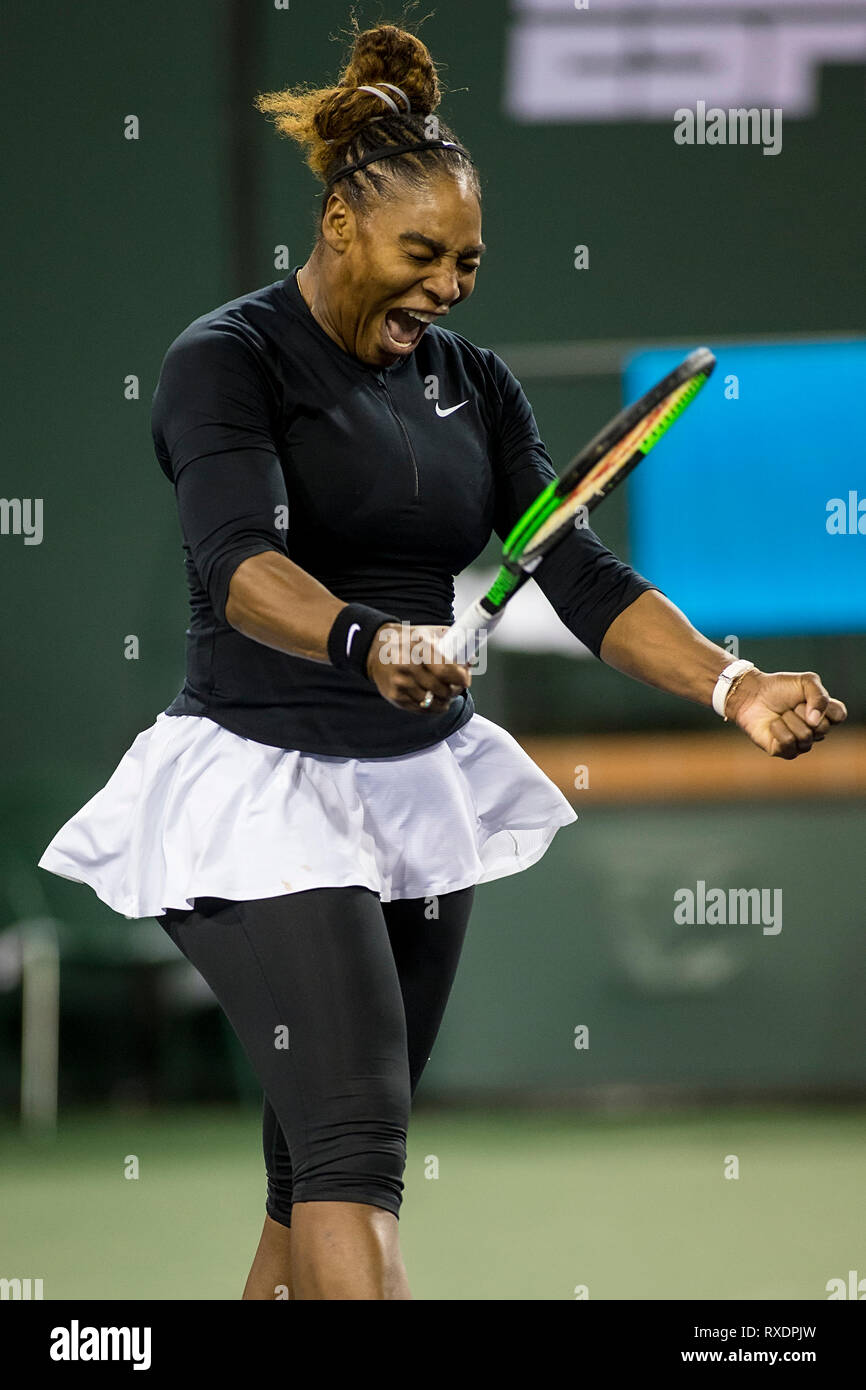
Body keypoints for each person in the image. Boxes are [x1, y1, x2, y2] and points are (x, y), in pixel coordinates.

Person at [38, 21, 847, 1300]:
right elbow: (239, 565)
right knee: (356, 1151)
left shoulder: (473, 385)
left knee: (308, 1179)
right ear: (341, 226)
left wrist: (731, 686)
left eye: (468, 261)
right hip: (260, 788)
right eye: (422, 254)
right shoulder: (227, 362)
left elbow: (575, 573)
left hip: (414, 793)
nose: (449, 284)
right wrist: (369, 639)